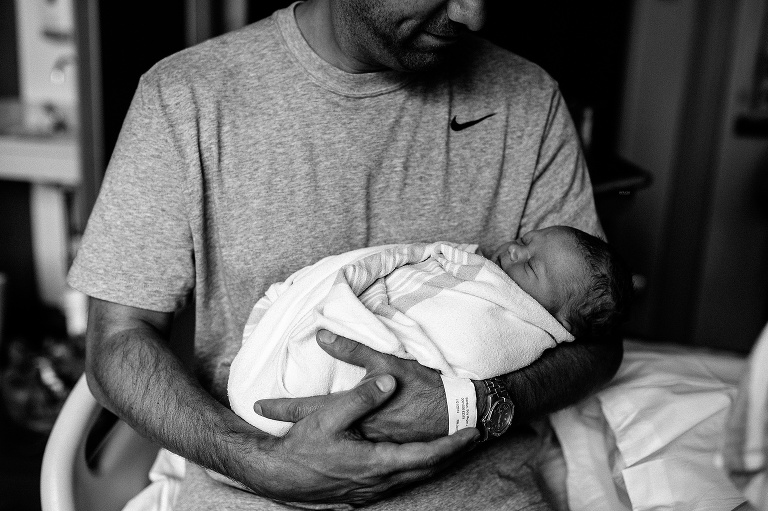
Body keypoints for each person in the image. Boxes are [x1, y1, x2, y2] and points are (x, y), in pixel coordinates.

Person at [68, 0, 624, 508]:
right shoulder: (187, 96)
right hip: (260, 486)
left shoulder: (527, 98)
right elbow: (117, 340)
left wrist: (476, 404)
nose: (473, 15)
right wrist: (259, 462)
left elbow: (595, 342)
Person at [229, 226, 632, 438]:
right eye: (526, 240)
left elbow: (467, 348)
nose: (513, 251)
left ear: (552, 320)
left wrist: (460, 406)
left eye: (530, 267)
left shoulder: (510, 326)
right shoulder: (478, 271)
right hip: (247, 456)